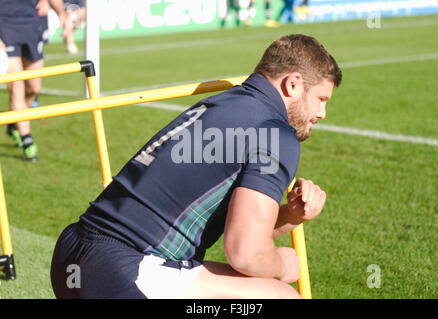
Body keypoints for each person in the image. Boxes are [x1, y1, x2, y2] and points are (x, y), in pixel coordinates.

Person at [50, 34, 342, 299]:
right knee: (281, 297)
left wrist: (291, 214)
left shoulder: (221, 103)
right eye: (321, 99)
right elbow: (245, 251)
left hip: (74, 255)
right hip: (125, 271)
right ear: (293, 84)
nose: (322, 113)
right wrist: (282, 265)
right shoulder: (275, 133)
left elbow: (233, 227)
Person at [0, 0, 64, 162]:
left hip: (31, 23)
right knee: (16, 84)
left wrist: (59, 11)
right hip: (4, 25)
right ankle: (27, 141)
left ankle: (15, 121)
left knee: (34, 88)